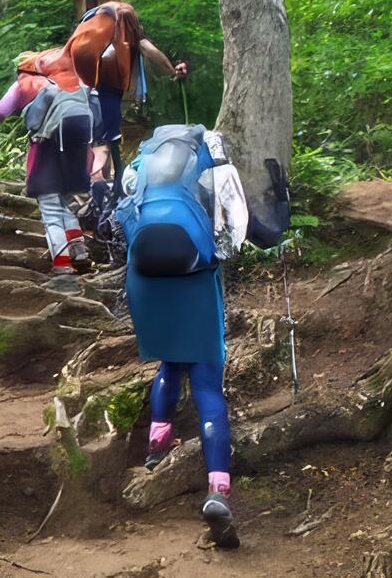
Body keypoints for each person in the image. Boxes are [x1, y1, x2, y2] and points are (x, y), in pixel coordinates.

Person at [115, 124, 289, 550]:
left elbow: (120, 216)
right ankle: (217, 490)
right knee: (208, 382)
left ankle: (157, 449)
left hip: (145, 278)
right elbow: (245, 232)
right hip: (194, 276)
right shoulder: (214, 168)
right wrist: (278, 213)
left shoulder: (140, 168)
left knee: (170, 361)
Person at [57, 1, 188, 218]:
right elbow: (149, 50)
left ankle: (91, 193)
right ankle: (99, 196)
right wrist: (173, 71)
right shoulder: (127, 29)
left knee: (96, 141)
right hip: (106, 94)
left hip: (79, 93)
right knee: (104, 144)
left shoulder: (90, 28)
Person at [0, 50, 97, 275]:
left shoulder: (25, 83)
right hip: (77, 153)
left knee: (51, 210)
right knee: (69, 204)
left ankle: (62, 265)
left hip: (46, 152)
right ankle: (79, 253)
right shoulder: (77, 85)